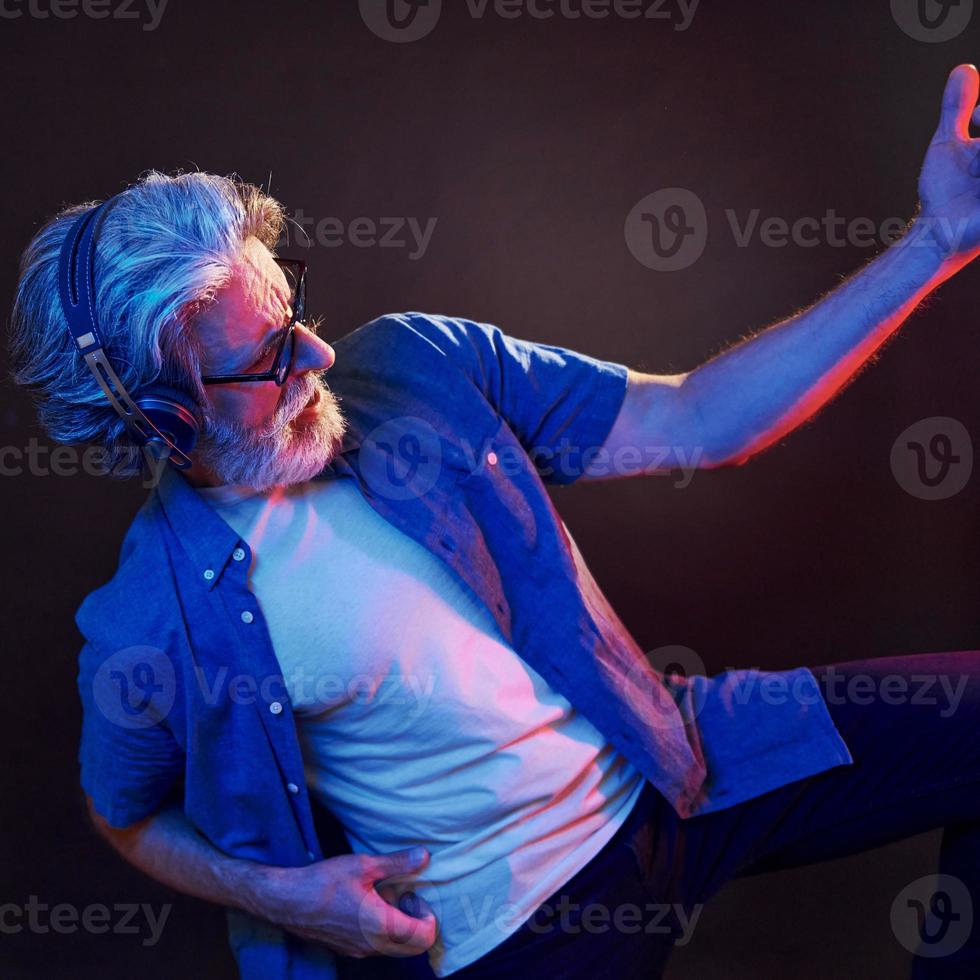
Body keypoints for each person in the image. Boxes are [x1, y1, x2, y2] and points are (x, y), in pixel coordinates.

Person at [8, 62, 980, 980]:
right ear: (165, 415)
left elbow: (690, 417)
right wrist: (283, 894)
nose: (315, 355)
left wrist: (932, 242)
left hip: (673, 761)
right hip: (526, 926)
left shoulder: (414, 364)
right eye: (266, 357)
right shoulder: (151, 617)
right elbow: (123, 813)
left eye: (292, 304)